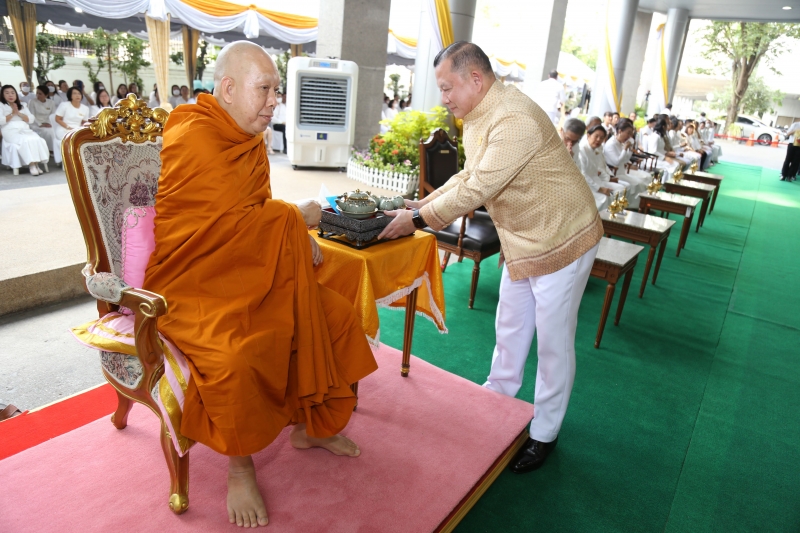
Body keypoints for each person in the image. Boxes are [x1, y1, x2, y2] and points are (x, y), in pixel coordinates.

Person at [142, 41, 378, 528]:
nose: (275, 100)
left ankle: (312, 426)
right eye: (265, 89)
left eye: (276, 90)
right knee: (237, 353)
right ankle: (240, 465)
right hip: (195, 286)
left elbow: (248, 218)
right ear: (227, 89)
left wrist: (288, 231)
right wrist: (295, 221)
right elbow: (220, 228)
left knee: (331, 315)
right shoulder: (197, 138)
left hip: (247, 272)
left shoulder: (245, 137)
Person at [378, 41, 603, 474]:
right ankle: (497, 399)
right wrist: (416, 207)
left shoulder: (513, 117)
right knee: (511, 322)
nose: (443, 98)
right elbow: (470, 175)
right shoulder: (479, 114)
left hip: (563, 236)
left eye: (447, 88)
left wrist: (419, 220)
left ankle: (544, 432)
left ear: (475, 80)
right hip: (523, 237)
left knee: (553, 342)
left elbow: (476, 190)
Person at [0, 85, 50, 175]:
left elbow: (30, 119)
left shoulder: (22, 105)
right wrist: (12, 113)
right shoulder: (1, 105)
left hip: (25, 130)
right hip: (10, 131)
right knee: (25, 141)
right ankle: (31, 165)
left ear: (16, 94)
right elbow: (1, 120)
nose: (10, 95)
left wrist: (19, 113)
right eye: (7, 93)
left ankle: (36, 164)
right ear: (2, 95)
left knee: (37, 139)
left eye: (12, 93)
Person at [562, 118, 611, 211]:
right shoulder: (550, 143)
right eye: (567, 138)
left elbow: (578, 170)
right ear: (562, 131)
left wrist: (571, 159)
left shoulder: (575, 147)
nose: (570, 143)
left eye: (574, 141)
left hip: (573, 183)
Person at [603, 118, 649, 208]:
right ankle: (630, 206)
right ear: (620, 131)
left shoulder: (620, 143)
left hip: (622, 172)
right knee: (636, 184)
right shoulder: (611, 144)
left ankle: (637, 206)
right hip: (615, 173)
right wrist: (625, 149)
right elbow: (616, 162)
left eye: (630, 134)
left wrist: (629, 149)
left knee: (640, 182)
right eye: (628, 133)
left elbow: (625, 159)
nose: (629, 136)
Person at [578, 124, 629, 199]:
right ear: (588, 136)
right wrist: (599, 189)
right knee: (605, 197)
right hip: (587, 185)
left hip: (598, 181)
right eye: (596, 136)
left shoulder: (596, 150)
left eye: (601, 138)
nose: (598, 140)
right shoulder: (581, 150)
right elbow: (583, 174)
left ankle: (616, 208)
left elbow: (603, 166)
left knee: (621, 189)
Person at [54, 87, 90, 165]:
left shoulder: (85, 108)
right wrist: (68, 127)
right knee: (71, 140)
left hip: (77, 129)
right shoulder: (64, 105)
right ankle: (69, 164)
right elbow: (57, 119)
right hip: (64, 128)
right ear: (70, 95)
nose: (77, 95)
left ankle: (81, 162)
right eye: (74, 93)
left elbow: (84, 122)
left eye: (79, 93)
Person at [28, 85, 57, 151]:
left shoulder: (51, 102)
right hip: (35, 123)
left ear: (46, 95)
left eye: (40, 94)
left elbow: (52, 115)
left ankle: (55, 149)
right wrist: (40, 124)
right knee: (47, 132)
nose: (38, 95)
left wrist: (49, 123)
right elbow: (32, 115)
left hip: (48, 123)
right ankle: (50, 149)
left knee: (55, 131)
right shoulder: (32, 101)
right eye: (37, 93)